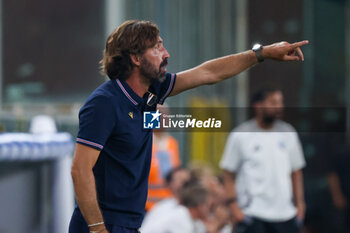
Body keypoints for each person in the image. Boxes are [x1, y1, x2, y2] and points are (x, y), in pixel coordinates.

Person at [69, 19, 309, 233]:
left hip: (130, 223)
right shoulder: (104, 104)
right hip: (102, 225)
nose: (167, 54)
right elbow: (80, 170)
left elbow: (208, 73)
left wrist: (262, 53)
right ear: (136, 58)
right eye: (157, 47)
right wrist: (98, 229)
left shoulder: (152, 91)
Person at [220, 89, 306, 233]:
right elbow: (228, 174)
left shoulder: (288, 133)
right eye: (273, 102)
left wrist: (300, 204)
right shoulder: (240, 135)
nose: (279, 107)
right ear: (258, 106)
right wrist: (233, 207)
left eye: (280, 102)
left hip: (285, 215)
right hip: (252, 214)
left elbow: (296, 172)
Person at [146, 104, 181, 210]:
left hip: (168, 205)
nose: (164, 118)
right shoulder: (144, 142)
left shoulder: (172, 143)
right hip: (146, 206)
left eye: (166, 116)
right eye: (160, 115)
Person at [141, 181, 209, 233]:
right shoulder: (183, 218)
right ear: (200, 206)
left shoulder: (182, 213)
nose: (209, 208)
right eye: (207, 205)